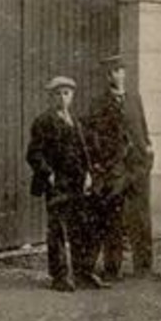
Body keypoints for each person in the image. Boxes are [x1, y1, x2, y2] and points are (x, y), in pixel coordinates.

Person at [26, 76, 108, 292]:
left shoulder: (77, 122)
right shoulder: (43, 121)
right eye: (58, 94)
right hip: (58, 183)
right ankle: (59, 276)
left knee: (82, 227)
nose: (63, 98)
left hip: (78, 181)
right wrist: (48, 174)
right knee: (58, 230)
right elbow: (34, 154)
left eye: (67, 93)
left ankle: (83, 273)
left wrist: (89, 173)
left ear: (72, 96)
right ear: (51, 97)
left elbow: (85, 151)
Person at [87, 55, 161, 281]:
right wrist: (104, 162)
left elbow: (142, 126)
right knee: (114, 216)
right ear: (106, 76)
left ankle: (144, 267)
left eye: (120, 71)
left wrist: (147, 147)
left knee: (140, 216)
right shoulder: (99, 103)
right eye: (112, 72)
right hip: (116, 167)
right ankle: (113, 268)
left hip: (138, 165)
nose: (117, 76)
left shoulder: (133, 99)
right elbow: (94, 136)